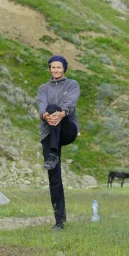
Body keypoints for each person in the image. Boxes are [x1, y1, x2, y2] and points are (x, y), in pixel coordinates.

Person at [36, 55, 79, 230]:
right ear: (49, 69)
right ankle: (59, 221)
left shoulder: (72, 85)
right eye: (53, 67)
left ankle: (53, 153)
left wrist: (60, 114)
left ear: (64, 69)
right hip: (49, 130)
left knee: (55, 108)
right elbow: (42, 105)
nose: (55, 70)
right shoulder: (43, 88)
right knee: (54, 177)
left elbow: (71, 103)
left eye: (59, 67)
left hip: (67, 128)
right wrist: (46, 115)